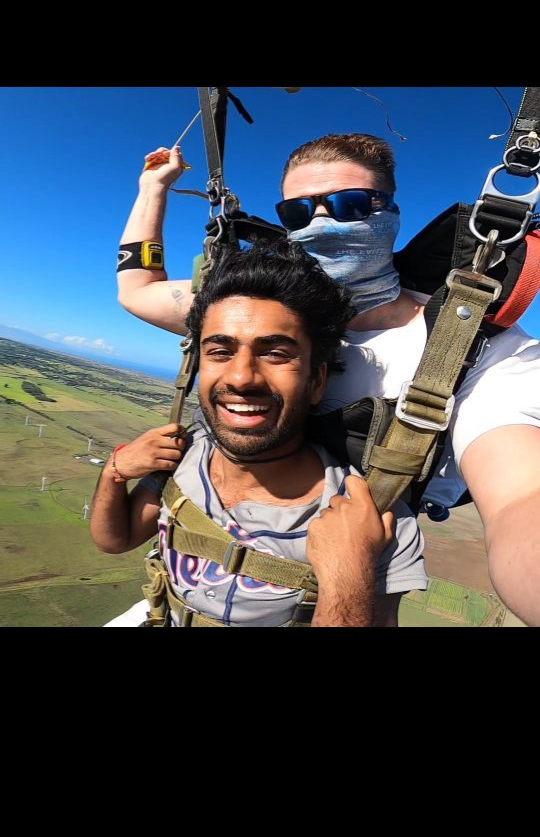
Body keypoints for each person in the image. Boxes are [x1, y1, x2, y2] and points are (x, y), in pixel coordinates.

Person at [116, 136, 540, 627]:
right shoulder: (252, 312)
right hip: (190, 581)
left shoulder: (473, 355)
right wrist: (153, 189)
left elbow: (520, 497)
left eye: (350, 204)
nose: (322, 222)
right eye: (298, 213)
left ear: (392, 213)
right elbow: (138, 288)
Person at [94, 240, 427, 627]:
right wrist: (115, 471)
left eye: (276, 353)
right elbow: (115, 540)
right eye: (220, 351)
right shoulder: (185, 452)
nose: (240, 377)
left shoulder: (372, 520)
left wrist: (347, 576)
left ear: (317, 381)